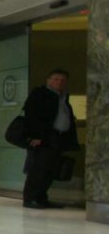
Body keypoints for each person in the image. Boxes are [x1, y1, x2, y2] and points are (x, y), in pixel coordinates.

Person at [20, 69, 78, 210]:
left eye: (63, 80)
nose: (59, 82)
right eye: (56, 79)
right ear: (48, 80)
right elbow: (32, 116)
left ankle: (41, 198)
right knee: (39, 169)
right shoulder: (40, 94)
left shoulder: (63, 97)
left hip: (59, 137)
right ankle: (30, 198)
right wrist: (35, 136)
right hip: (44, 138)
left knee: (50, 170)